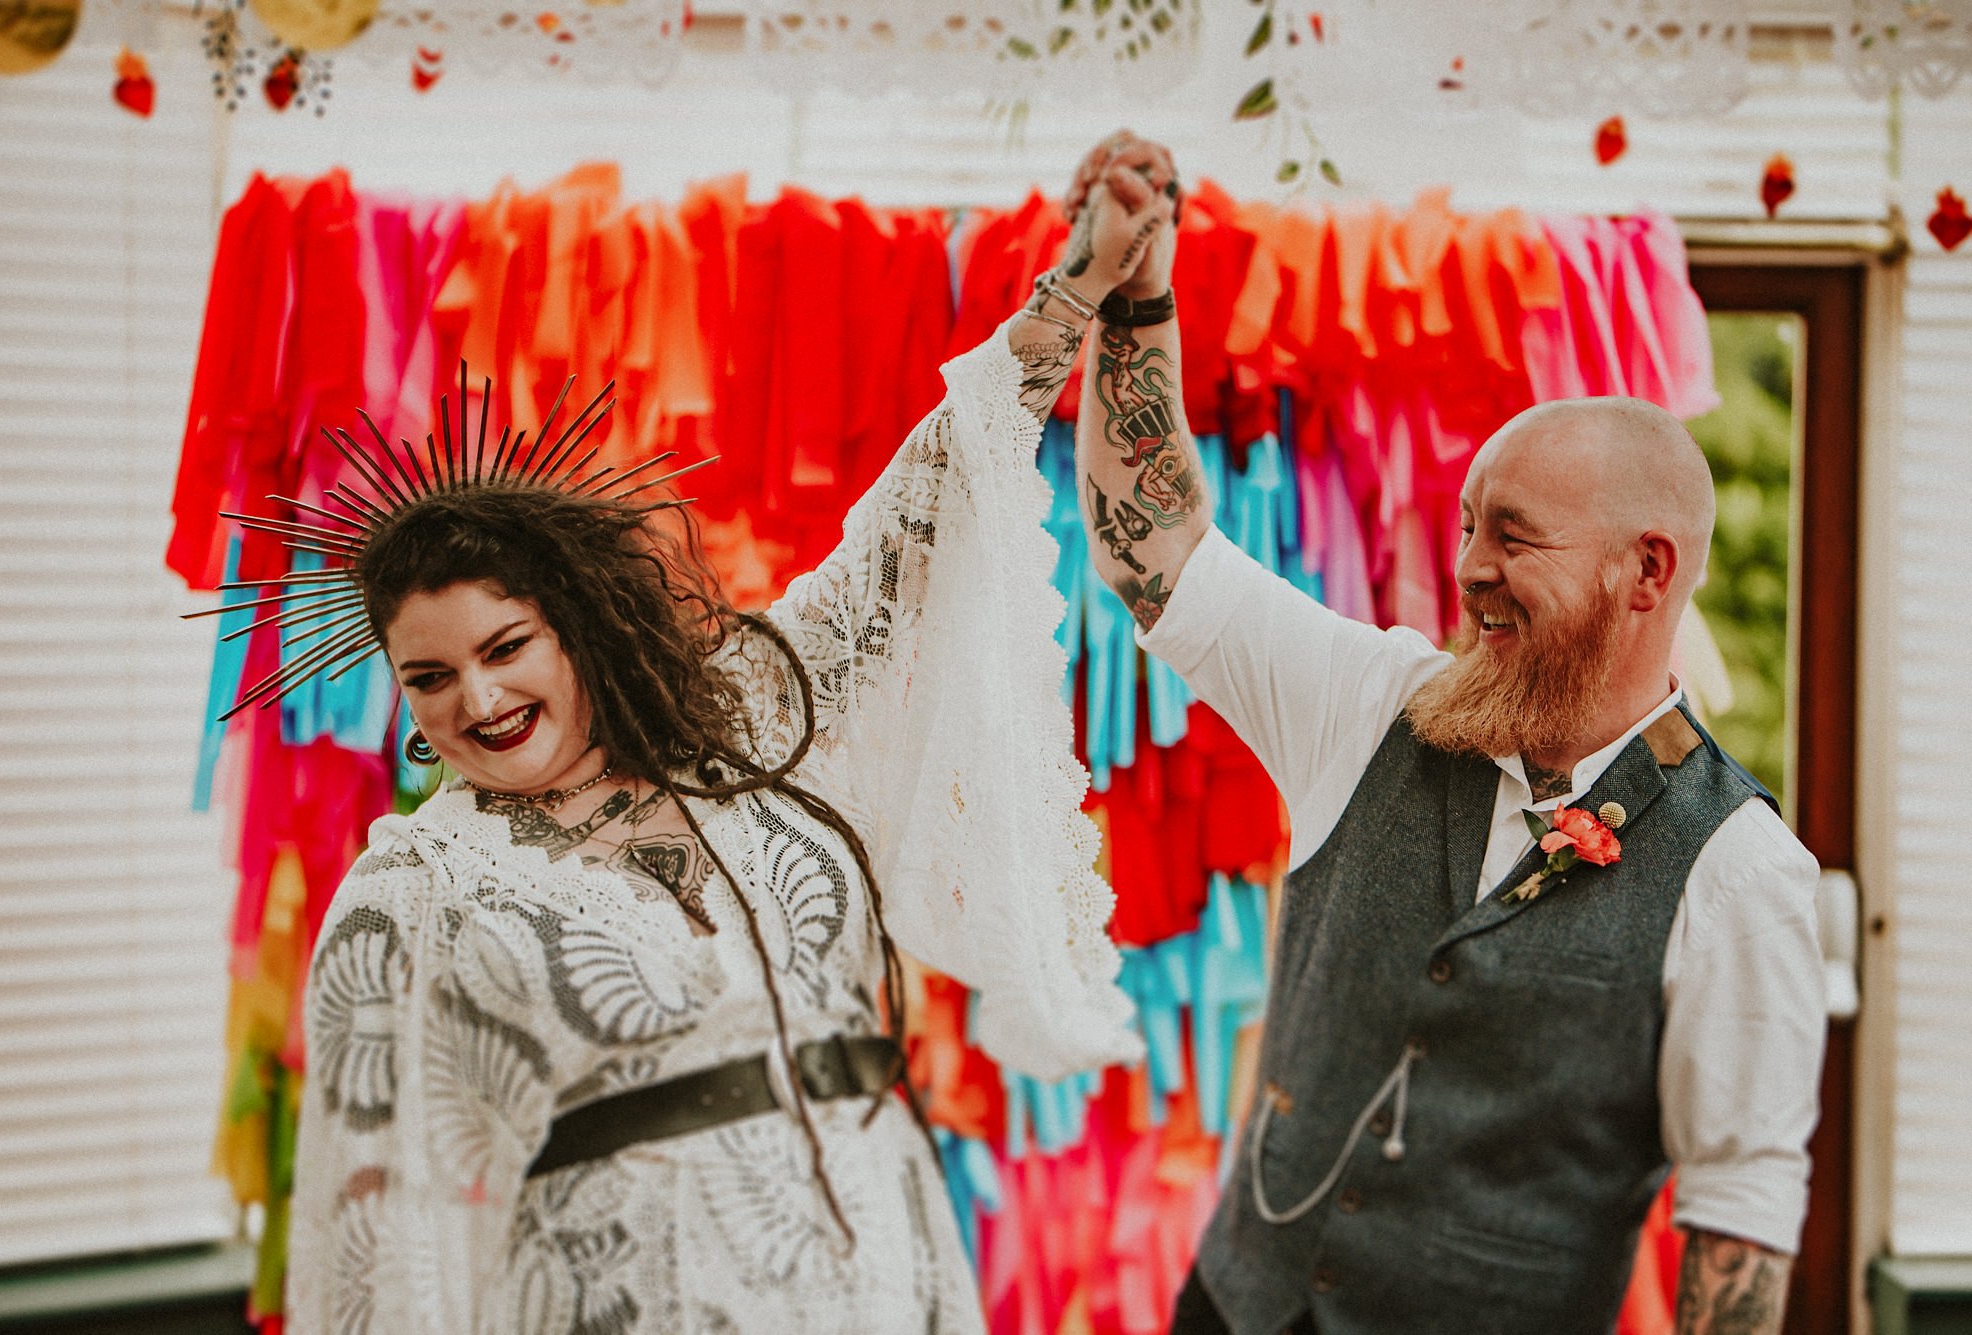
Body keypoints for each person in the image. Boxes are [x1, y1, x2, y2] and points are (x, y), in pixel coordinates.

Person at [248, 144, 1172, 1334]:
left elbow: (920, 510)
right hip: (628, 1298)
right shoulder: (410, 890)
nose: (474, 699)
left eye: (504, 647)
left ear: (576, 628)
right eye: (428, 677)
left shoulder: (746, 715)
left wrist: (1079, 286)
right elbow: (367, 1212)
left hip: (883, 1256)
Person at [1063, 136, 1825, 1334]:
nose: (1466, 570)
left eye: (1510, 537)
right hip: (1237, 1309)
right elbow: (1152, 551)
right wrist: (1136, 294)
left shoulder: (1742, 875)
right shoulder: (1373, 705)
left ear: (1645, 571)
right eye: (1467, 526)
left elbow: (1736, 1219)